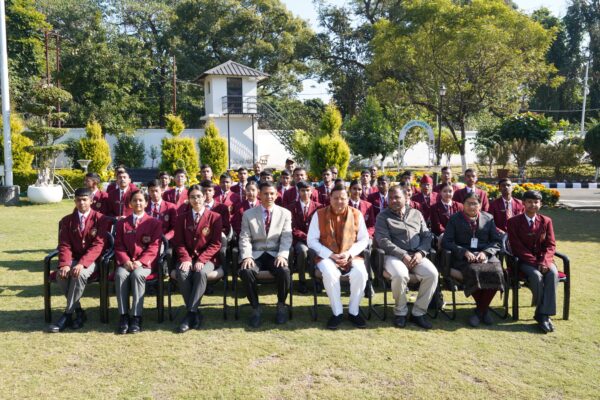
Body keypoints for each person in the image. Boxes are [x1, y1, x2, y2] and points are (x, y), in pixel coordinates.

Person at [375, 186, 438, 329]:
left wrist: (421, 252)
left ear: (405, 198)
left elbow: (427, 235)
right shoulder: (383, 216)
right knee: (400, 274)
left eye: (397, 197)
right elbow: (383, 241)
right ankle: (400, 313)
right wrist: (402, 255)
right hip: (393, 256)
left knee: (432, 274)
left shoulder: (416, 213)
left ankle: (418, 313)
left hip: (416, 254)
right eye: (390, 198)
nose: (393, 201)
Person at [307, 184, 369, 330]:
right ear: (330, 198)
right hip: (326, 256)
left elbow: (364, 239)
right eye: (336, 198)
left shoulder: (356, 214)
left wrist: (349, 253)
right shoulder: (319, 214)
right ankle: (337, 312)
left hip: (351, 255)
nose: (339, 201)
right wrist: (331, 255)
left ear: (348, 199)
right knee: (330, 273)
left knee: (361, 273)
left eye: (342, 198)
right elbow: (311, 240)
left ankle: (354, 311)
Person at [46, 188, 107, 333]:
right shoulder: (67, 221)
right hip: (72, 259)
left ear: (91, 201)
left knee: (79, 274)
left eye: (85, 199)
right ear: (74, 201)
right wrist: (65, 264)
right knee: (61, 275)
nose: (82, 202)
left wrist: (82, 263)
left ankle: (67, 314)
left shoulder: (101, 219)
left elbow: (98, 245)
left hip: (91, 261)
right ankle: (79, 312)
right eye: (78, 200)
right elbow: (64, 244)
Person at [442, 192, 504, 327]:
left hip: (484, 255)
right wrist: (463, 252)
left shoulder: (489, 218)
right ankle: (483, 310)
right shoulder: (454, 219)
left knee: (497, 272)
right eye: (468, 203)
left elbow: (496, 241)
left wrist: (485, 253)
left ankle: (479, 311)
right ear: (463, 205)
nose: (472, 206)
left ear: (480, 205)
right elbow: (447, 241)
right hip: (463, 257)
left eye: (475, 203)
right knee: (474, 271)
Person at [238, 181, 293, 327]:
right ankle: (255, 307)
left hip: (275, 253)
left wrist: (282, 255)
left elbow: (287, 238)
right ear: (259, 195)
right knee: (246, 271)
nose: (269, 196)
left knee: (284, 271)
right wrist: (247, 256)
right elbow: (244, 237)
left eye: (272, 193)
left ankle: (281, 305)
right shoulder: (248, 214)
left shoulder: (285, 213)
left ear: (276, 194)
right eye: (265, 193)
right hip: (256, 253)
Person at [173, 185, 223, 333]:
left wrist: (201, 260)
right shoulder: (181, 218)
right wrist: (186, 259)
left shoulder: (215, 217)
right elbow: (179, 243)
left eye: (199, 196)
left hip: (208, 259)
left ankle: (189, 314)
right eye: (193, 197)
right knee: (182, 273)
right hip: (187, 257)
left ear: (204, 197)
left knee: (201, 273)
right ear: (188, 199)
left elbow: (216, 244)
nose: (196, 200)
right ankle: (194, 313)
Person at [507, 190, 558, 334]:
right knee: (536, 276)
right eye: (529, 202)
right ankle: (543, 315)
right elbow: (517, 247)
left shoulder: (546, 221)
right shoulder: (513, 222)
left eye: (536, 202)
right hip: (523, 261)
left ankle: (542, 314)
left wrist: (545, 261)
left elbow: (551, 245)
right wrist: (536, 263)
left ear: (540, 204)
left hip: (544, 259)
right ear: (523, 204)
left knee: (552, 274)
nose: (533, 205)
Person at [114, 190, 163, 334]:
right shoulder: (122, 223)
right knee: (120, 275)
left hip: (145, 263)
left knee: (137, 276)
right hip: (126, 262)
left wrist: (141, 262)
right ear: (130, 203)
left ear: (146, 203)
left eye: (141, 200)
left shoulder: (154, 223)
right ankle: (123, 316)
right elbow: (118, 245)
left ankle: (136, 316)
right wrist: (125, 260)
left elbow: (155, 246)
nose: (138, 203)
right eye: (135, 200)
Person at [288, 180, 322, 294]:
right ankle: (302, 281)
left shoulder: (319, 207)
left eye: (308, 190)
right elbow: (292, 227)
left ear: (312, 191)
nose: (305, 193)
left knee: (317, 251)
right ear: (298, 192)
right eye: (302, 190)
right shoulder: (292, 207)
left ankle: (317, 280)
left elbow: (321, 226)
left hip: (316, 239)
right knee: (303, 251)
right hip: (299, 240)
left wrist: (313, 238)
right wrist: (306, 237)